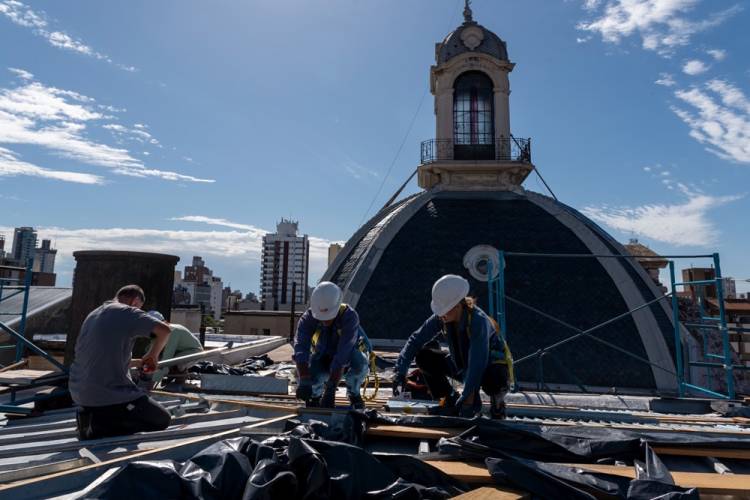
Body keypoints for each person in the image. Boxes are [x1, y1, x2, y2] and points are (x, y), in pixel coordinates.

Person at [393, 275, 514, 418]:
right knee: (424, 357)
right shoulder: (443, 316)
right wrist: (400, 371)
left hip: (489, 367)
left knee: (495, 380)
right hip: (462, 364)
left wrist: (468, 398)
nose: (440, 315)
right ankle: (449, 399)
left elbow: (477, 363)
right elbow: (416, 339)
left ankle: (498, 404)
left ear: (457, 306)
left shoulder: (478, 322)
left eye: (444, 310)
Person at [69, 285, 173, 440]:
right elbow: (164, 331)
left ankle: (93, 418)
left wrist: (140, 362)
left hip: (79, 394)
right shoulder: (126, 311)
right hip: (107, 394)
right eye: (139, 307)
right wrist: (153, 355)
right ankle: (99, 427)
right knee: (161, 419)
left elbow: (104, 357)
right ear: (135, 301)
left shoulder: (94, 314)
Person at [293, 281, 371, 410]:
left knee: (360, 364)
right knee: (311, 372)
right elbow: (301, 347)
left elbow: (343, 353)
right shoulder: (308, 318)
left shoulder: (349, 317)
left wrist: (331, 388)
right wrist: (304, 378)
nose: (325, 320)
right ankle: (315, 395)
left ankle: (354, 394)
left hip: (347, 360)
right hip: (322, 357)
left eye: (328, 316)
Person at [144, 310, 203, 385]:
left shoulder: (173, 332)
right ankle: (170, 377)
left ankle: (179, 381)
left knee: (177, 362)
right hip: (179, 351)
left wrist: (153, 382)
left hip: (195, 352)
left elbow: (167, 358)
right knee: (160, 359)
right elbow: (150, 351)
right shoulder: (158, 333)